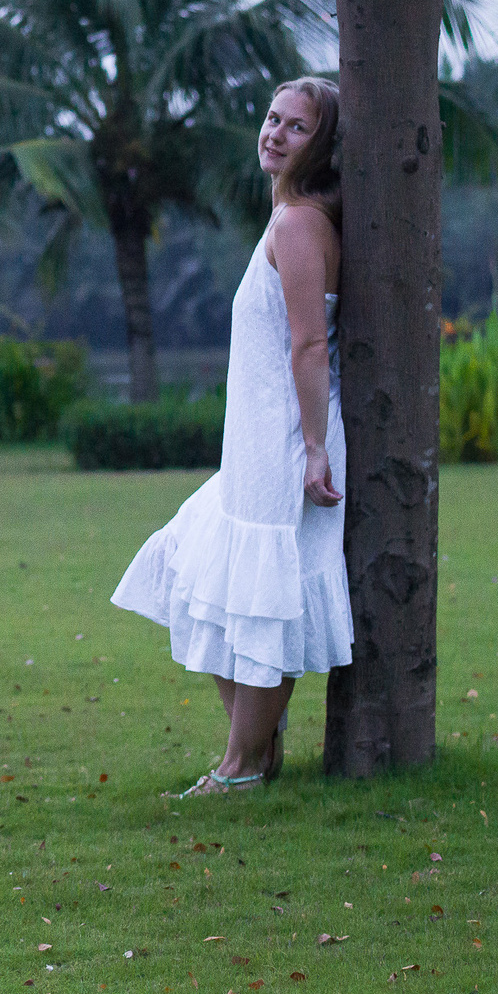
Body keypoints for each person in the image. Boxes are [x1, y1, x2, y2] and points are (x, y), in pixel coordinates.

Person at [111, 78, 351, 796]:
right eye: (272, 118)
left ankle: (242, 766)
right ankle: (256, 744)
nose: (274, 133)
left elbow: (310, 344)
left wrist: (313, 449)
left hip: (285, 440)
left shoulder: (300, 225)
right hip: (254, 442)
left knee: (262, 596)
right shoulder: (287, 217)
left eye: (297, 127)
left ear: (325, 144)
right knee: (200, 565)